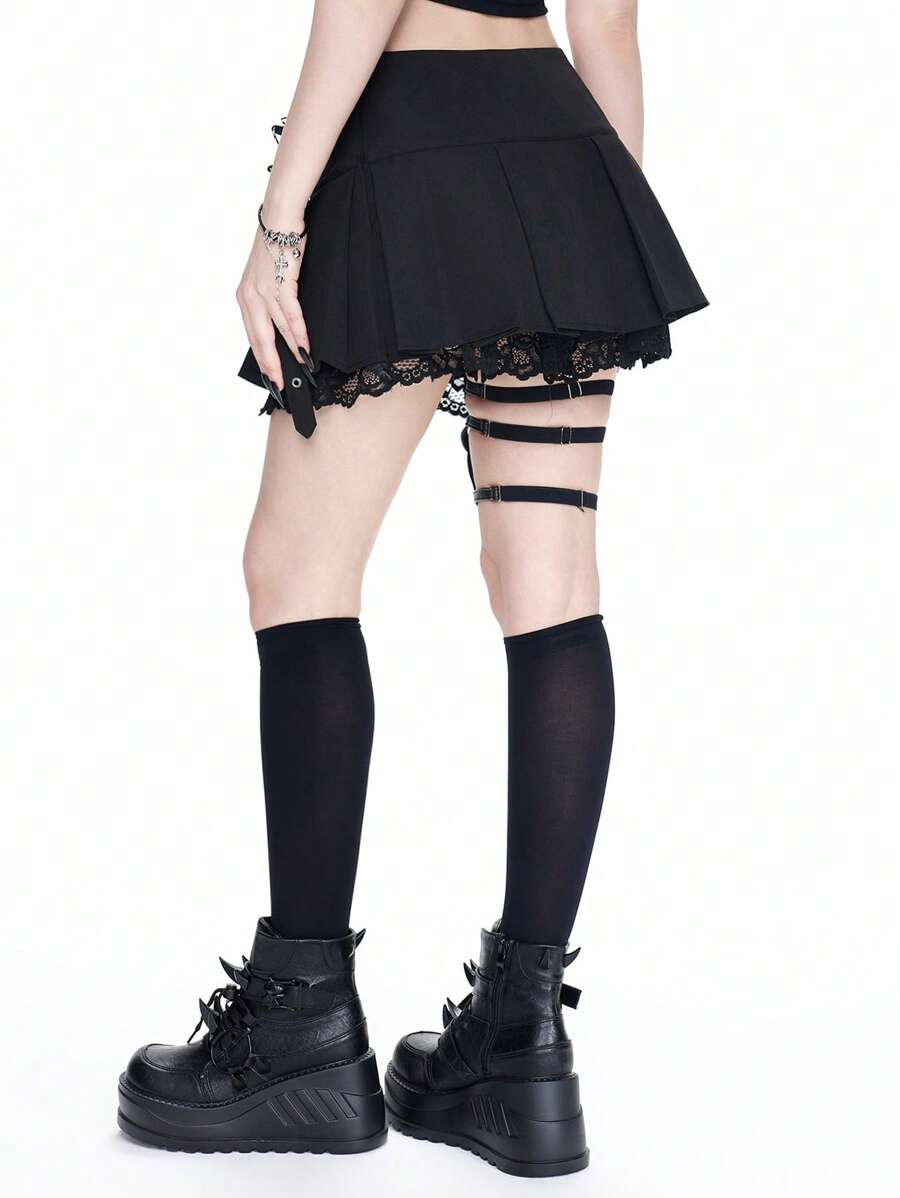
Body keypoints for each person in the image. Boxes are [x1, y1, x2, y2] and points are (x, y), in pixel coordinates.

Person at [117, 0, 706, 1176]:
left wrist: (282, 218)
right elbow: (611, 23)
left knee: (298, 569)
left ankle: (300, 1023)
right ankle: (521, 1044)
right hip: (565, 154)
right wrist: (598, 238)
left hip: (410, 152)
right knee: (551, 586)